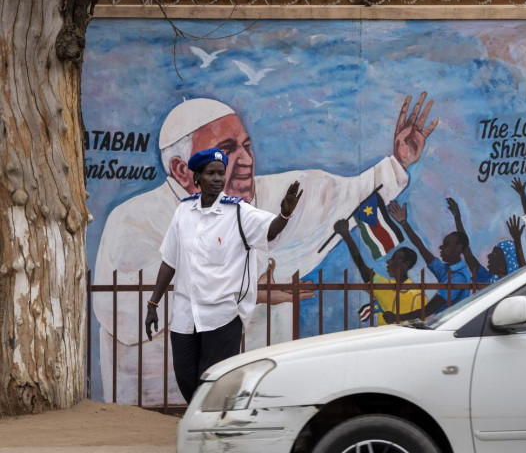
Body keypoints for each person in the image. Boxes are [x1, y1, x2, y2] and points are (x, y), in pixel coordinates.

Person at [94, 93, 438, 403]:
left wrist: (398, 162)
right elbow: (124, 310)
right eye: (227, 150)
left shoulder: (271, 197)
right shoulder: (135, 220)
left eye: (246, 145)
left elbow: (347, 195)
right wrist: (244, 289)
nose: (246, 159)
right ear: (182, 170)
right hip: (159, 403)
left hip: (260, 398)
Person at [144, 148, 302, 403]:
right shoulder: (183, 211)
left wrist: (284, 215)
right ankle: (207, 423)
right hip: (186, 313)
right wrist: (153, 303)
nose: (217, 178)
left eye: (221, 173)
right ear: (197, 178)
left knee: (213, 380)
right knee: (186, 378)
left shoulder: (239, 212)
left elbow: (269, 231)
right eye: (210, 174)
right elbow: (169, 261)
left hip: (223, 314)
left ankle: (210, 430)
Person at [387, 200, 478, 318]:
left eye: (446, 244)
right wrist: (404, 223)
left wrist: (396, 317)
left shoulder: (458, 278)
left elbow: (429, 310)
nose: (441, 247)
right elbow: (421, 247)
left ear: (459, 248)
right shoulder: (446, 270)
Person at [333, 219, 421, 325]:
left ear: (406, 264)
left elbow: (420, 326)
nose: (388, 261)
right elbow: (363, 269)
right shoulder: (385, 285)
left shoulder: (417, 296)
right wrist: (347, 236)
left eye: (395, 258)